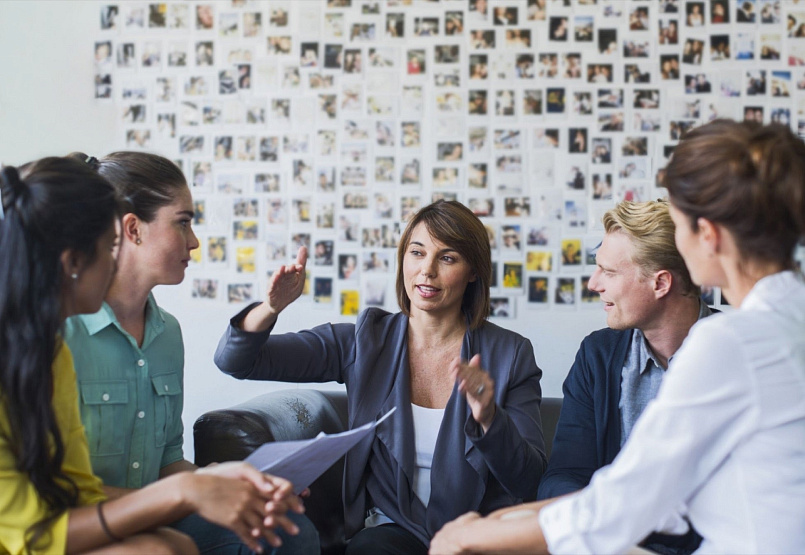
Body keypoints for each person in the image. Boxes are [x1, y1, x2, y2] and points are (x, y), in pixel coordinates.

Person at [430, 119, 805, 554]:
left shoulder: (729, 343)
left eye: (680, 225)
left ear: (709, 236)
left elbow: (622, 509)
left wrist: (471, 535)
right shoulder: (788, 319)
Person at [0, 158, 301, 555]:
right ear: (72, 261)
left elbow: (79, 492)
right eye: (109, 248)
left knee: (178, 544)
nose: (114, 261)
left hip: (87, 518)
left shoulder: (52, 355)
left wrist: (214, 484)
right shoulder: (50, 345)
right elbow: (32, 533)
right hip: (32, 536)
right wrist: (183, 492)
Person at [215, 200, 547, 555]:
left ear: (473, 272)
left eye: (447, 258)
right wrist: (270, 308)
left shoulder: (511, 354)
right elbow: (236, 361)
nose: (427, 270)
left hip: (478, 534)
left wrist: (489, 419)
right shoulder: (364, 339)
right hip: (391, 532)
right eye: (417, 253)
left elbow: (530, 480)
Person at [539, 201, 708, 553]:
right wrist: (605, 525)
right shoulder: (597, 355)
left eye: (609, 272)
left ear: (660, 283)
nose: (593, 283)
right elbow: (563, 475)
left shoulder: (735, 353)